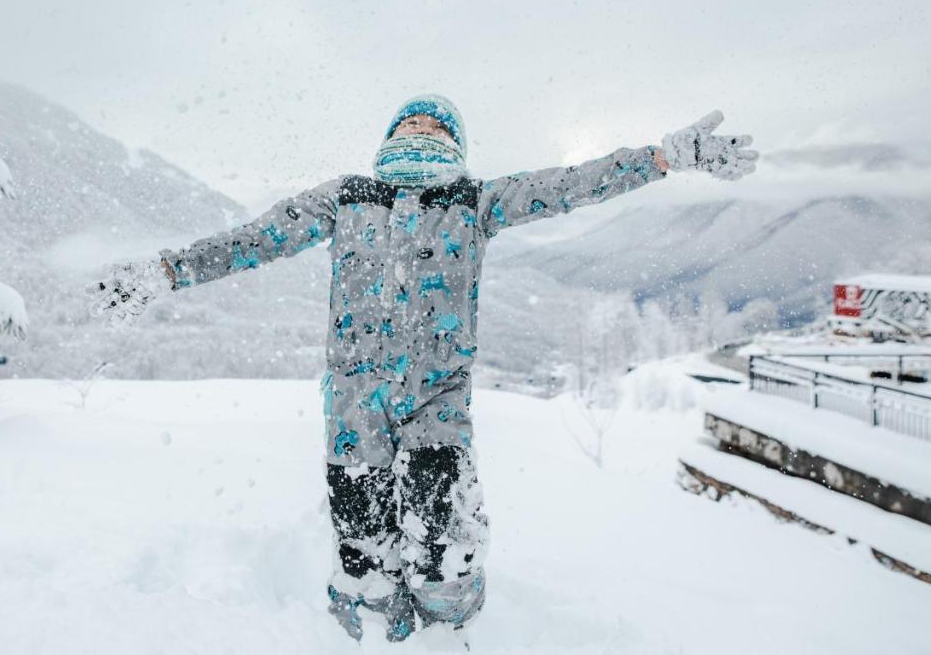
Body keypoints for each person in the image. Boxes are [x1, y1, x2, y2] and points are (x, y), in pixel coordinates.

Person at [88, 96, 757, 643]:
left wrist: (665, 158)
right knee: (362, 556)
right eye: (410, 120)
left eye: (437, 123)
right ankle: (371, 632)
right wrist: (170, 270)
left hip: (436, 407)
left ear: (456, 144)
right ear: (388, 134)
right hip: (352, 410)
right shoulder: (347, 198)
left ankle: (453, 632)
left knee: (445, 552)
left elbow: (570, 186)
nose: (421, 126)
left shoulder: (475, 202)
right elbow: (256, 238)